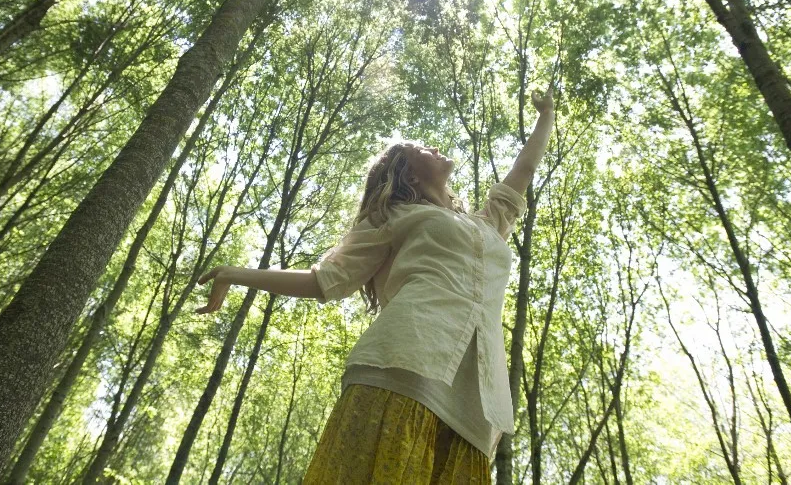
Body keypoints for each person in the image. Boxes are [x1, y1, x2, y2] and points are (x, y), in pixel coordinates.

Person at [196, 88, 556, 484]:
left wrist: (546, 117)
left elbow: (522, 173)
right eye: (420, 147)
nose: (433, 145)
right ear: (410, 175)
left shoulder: (487, 226)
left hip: (478, 398)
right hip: (405, 362)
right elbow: (324, 281)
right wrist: (235, 273)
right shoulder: (393, 216)